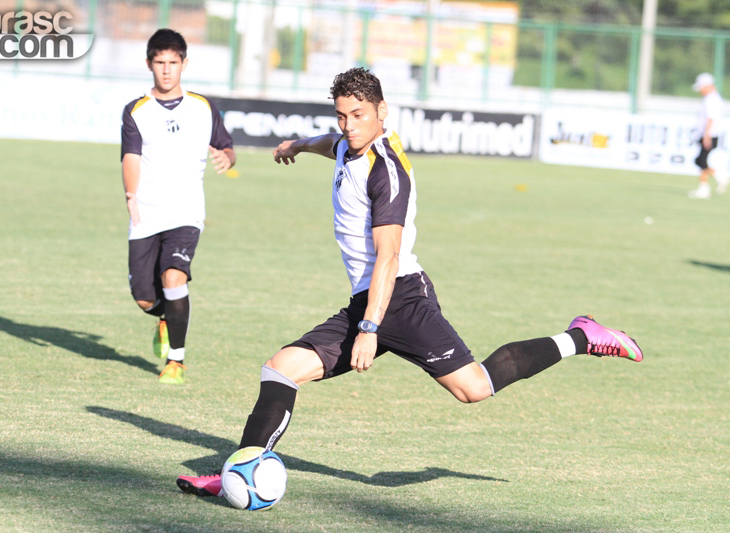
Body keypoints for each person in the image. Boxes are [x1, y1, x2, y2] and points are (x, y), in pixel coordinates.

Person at [175, 67, 643, 496]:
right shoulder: (345, 141)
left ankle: (581, 336)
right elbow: (330, 143)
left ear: (382, 112)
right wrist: (297, 145)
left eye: (358, 115)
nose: (348, 125)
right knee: (280, 368)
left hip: (401, 299)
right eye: (341, 116)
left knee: (474, 387)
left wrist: (369, 329)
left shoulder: (387, 173)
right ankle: (237, 471)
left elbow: (389, 256)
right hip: (369, 301)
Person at [120, 29, 236, 384]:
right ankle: (166, 317)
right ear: (149, 65)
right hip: (146, 212)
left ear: (184, 63)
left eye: (173, 62)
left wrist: (226, 158)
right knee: (143, 298)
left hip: (186, 212)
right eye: (160, 63)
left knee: (174, 277)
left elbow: (226, 146)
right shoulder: (136, 111)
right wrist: (130, 196)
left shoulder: (202, 107)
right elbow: (130, 156)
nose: (167, 70)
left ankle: (176, 361)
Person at [689, 72, 728, 199]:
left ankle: (707, 186)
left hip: (710, 134)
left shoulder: (712, 99)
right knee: (700, 160)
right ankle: (717, 179)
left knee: (701, 160)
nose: (700, 90)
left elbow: (710, 119)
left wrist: (706, 135)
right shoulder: (710, 98)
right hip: (707, 133)